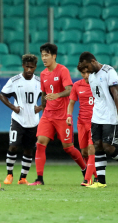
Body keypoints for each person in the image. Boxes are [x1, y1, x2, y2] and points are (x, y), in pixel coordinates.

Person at [28, 43, 86, 186]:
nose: (44, 58)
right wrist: (41, 108)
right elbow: (44, 94)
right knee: (40, 143)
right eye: (42, 55)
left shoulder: (62, 70)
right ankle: (39, 179)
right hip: (48, 115)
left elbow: (70, 90)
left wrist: (57, 95)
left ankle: (86, 171)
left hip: (62, 115)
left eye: (47, 55)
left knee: (68, 148)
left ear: (54, 56)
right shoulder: (42, 74)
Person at [78, 52, 118, 188]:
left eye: (87, 67)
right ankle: (101, 181)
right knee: (97, 146)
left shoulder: (109, 71)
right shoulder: (92, 76)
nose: (87, 72)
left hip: (110, 116)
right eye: (84, 70)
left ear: (93, 61)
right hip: (97, 116)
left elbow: (116, 94)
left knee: (109, 147)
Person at [0, 54, 42, 185]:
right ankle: (9, 175)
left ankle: (22, 178)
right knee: (13, 146)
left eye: (32, 67)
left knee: (29, 149)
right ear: (23, 66)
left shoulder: (40, 82)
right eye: (27, 67)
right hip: (18, 120)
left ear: (35, 67)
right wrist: (13, 107)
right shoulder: (14, 80)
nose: (29, 70)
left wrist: (39, 108)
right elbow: (2, 95)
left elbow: (48, 97)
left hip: (33, 121)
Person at [66, 64, 97, 186]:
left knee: (91, 149)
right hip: (81, 122)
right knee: (84, 152)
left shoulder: (98, 84)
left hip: (95, 122)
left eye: (88, 72)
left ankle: (87, 179)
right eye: (83, 73)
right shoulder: (77, 85)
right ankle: (97, 177)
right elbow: (71, 102)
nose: (86, 76)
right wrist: (69, 116)